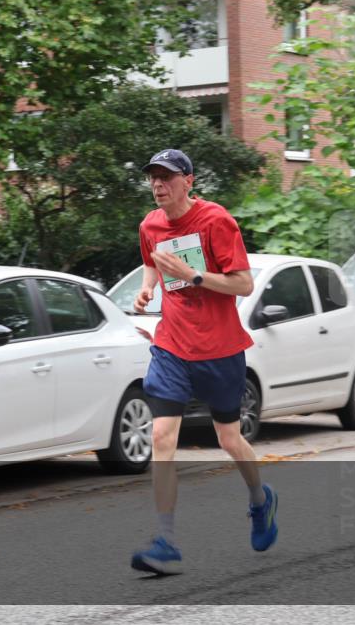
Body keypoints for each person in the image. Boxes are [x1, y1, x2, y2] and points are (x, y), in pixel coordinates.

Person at [130, 148, 278, 575]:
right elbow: (150, 262)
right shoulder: (150, 225)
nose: (159, 185)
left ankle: (259, 499)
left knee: (229, 439)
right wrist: (147, 288)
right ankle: (166, 540)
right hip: (173, 344)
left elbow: (244, 284)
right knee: (161, 436)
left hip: (220, 348)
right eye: (153, 178)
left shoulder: (215, 220)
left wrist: (194, 275)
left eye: (167, 177)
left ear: (188, 181)